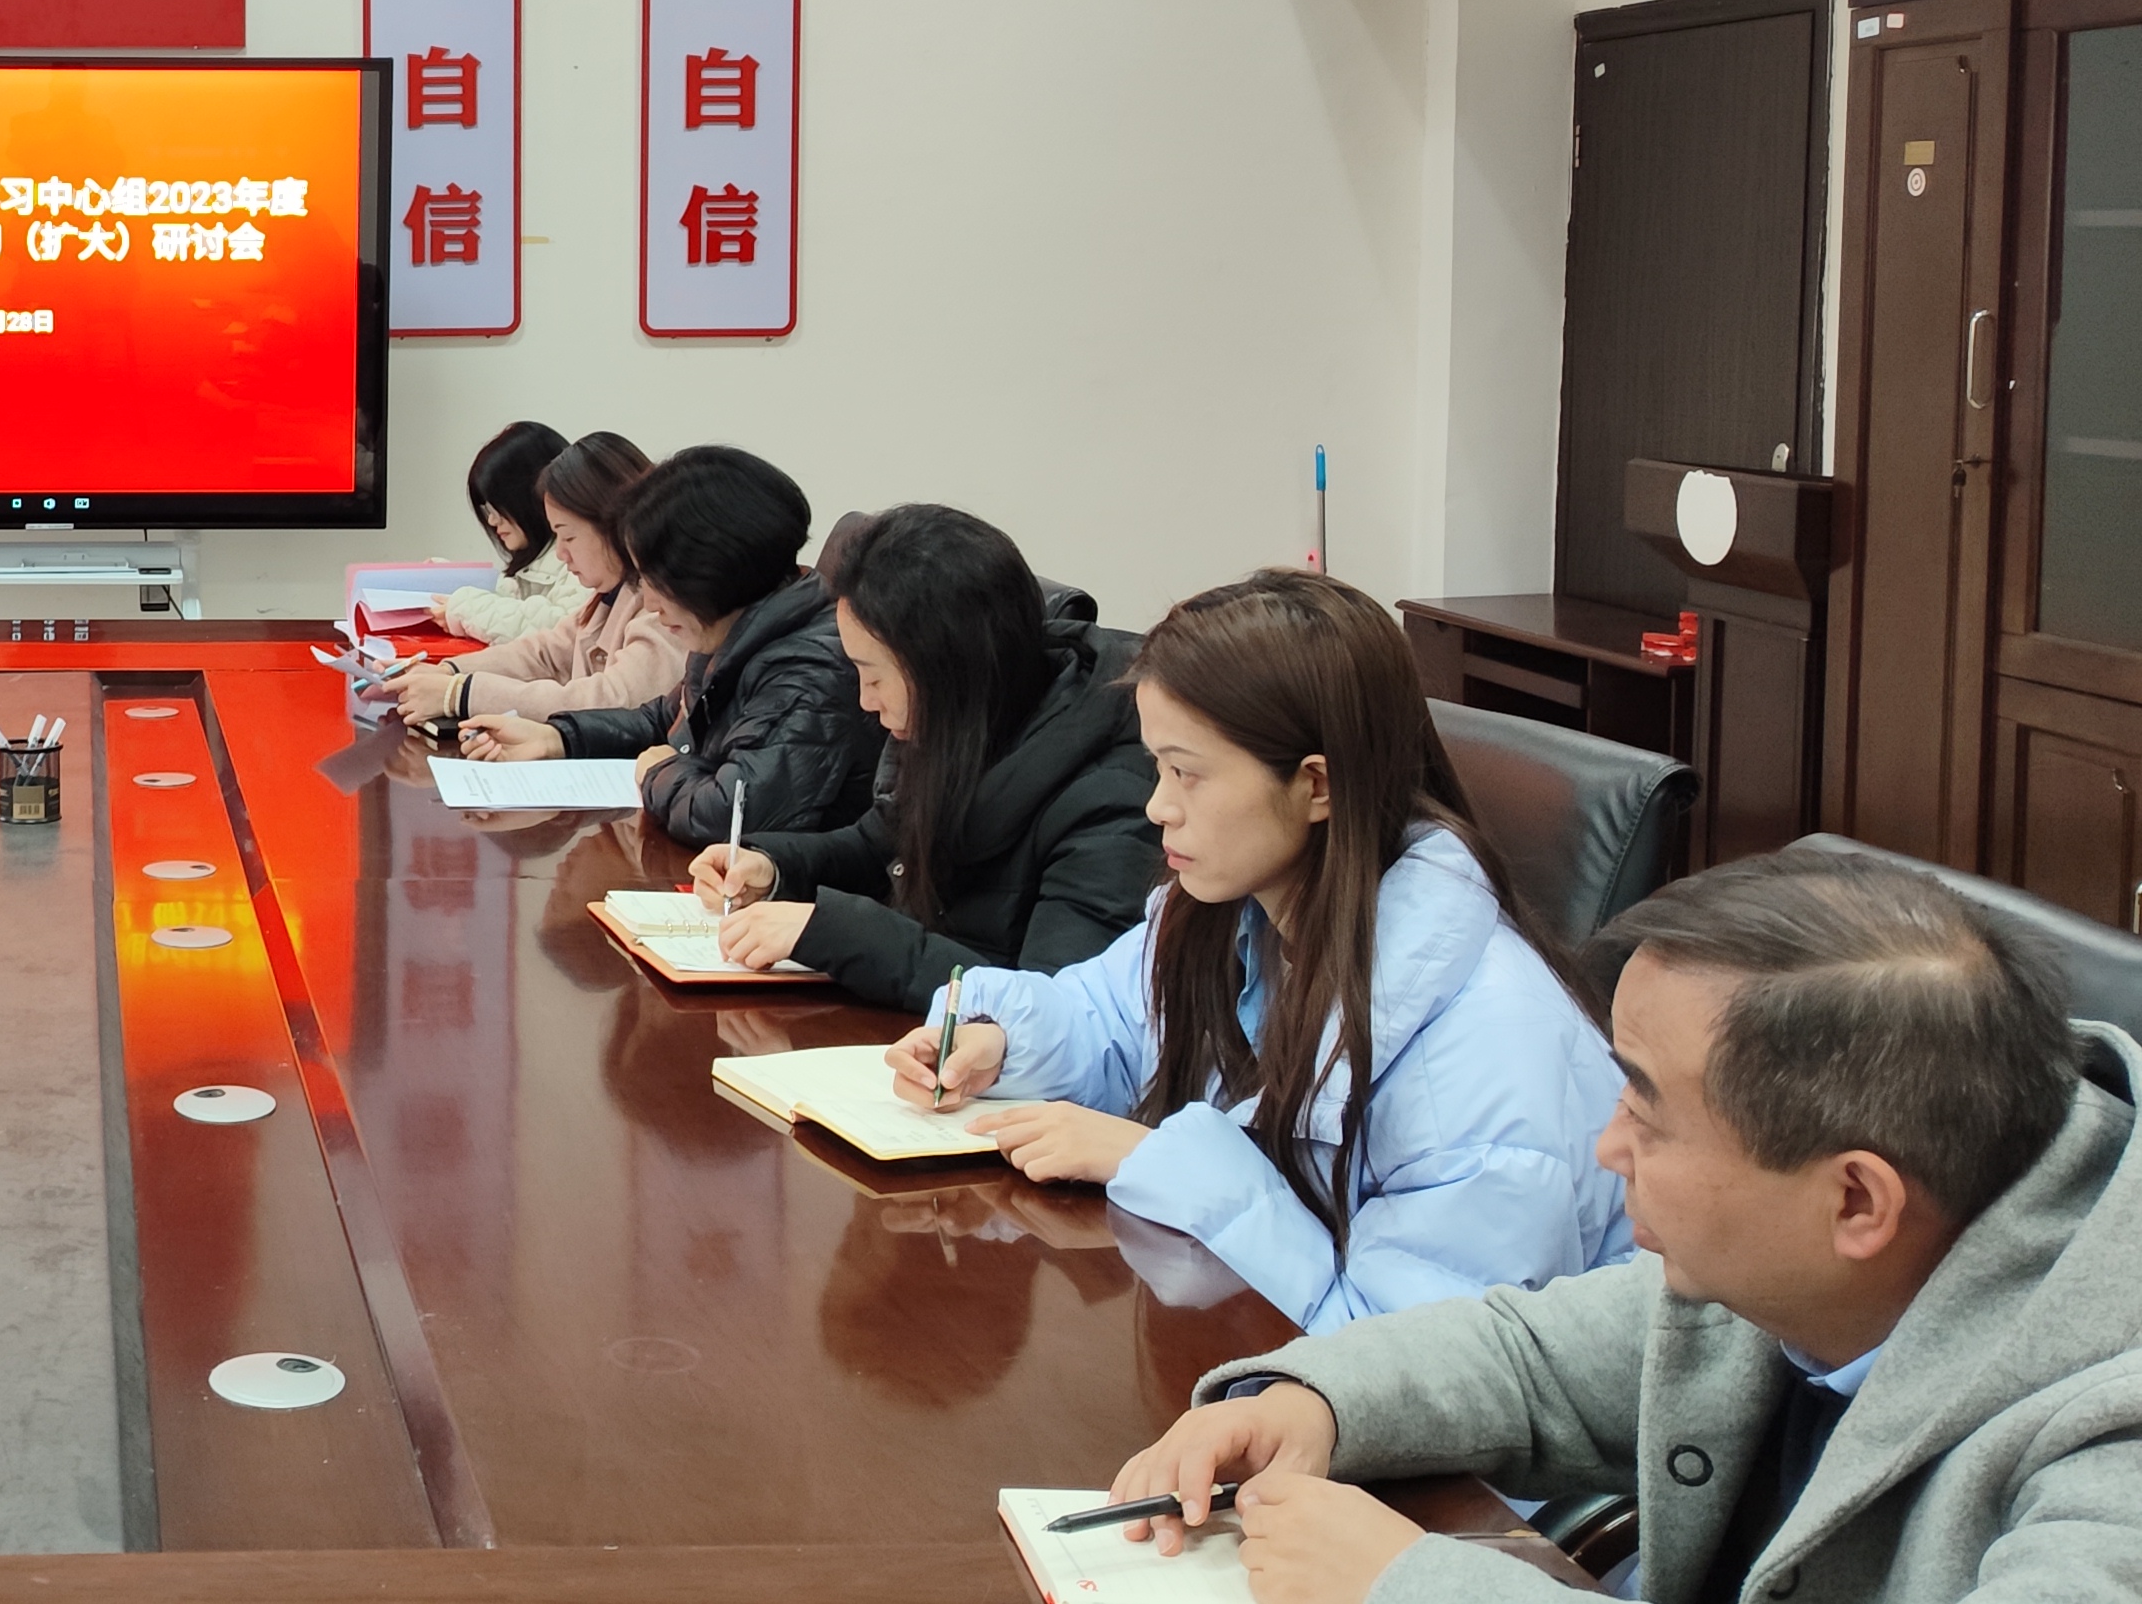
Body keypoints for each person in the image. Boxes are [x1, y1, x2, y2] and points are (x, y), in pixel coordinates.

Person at [1106, 844, 2142, 1604]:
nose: (1607, 1148)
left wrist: (1407, 1585)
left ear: (1856, 1201)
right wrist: (1310, 1403)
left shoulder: (2112, 1447)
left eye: (1647, 1112)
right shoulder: (1804, 1256)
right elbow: (1530, 1358)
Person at [876, 569, 1629, 1335]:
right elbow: (1115, 1015)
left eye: (1187, 774)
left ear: (1316, 786)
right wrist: (1000, 1044)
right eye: (1158, 767)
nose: (1158, 806)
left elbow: (1412, 1356)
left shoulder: (1484, 1056)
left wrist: (1159, 1162)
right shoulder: (1237, 908)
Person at [689, 504, 1157, 1011]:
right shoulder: (955, 724)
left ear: (945, 668)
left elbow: (1051, 1011)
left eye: (874, 676)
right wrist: (773, 868)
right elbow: (878, 846)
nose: (866, 701)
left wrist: (836, 931)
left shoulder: (1110, 799)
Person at [457, 445, 880, 852]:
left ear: (710, 572)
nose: (649, 602)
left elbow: (731, 817)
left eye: (654, 581)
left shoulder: (809, 671)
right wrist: (558, 737)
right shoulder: (732, 628)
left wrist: (658, 772)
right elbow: (664, 718)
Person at [379, 433, 684, 725]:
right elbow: (546, 652)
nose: (561, 554)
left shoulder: (662, 605)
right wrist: (448, 671)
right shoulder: (610, 594)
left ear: (614, 525)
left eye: (568, 537)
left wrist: (461, 693)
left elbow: (614, 698)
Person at [428, 420, 589, 643]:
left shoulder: (580, 556)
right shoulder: (539, 561)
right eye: (487, 509)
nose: (492, 520)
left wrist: (465, 607)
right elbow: (517, 603)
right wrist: (453, 581)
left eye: (498, 506)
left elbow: (562, 631)